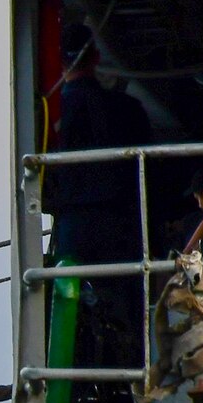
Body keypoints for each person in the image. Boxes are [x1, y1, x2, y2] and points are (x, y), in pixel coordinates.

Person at [45, 27, 152, 264]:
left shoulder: (50, 116)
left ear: (58, 61)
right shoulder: (128, 108)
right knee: (127, 293)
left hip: (74, 224)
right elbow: (153, 171)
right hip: (124, 224)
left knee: (72, 294)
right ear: (95, 57)